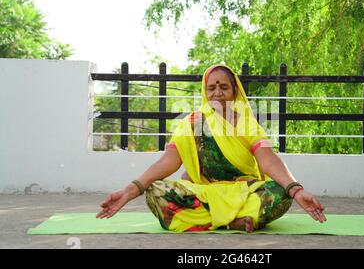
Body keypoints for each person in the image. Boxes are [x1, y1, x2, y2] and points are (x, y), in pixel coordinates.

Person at [96, 64, 326, 232]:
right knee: (156, 191)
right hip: (204, 192)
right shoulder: (193, 123)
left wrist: (296, 189)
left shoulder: (247, 123)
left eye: (224, 87)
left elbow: (268, 159)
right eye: (211, 87)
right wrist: (129, 191)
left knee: (279, 193)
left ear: (235, 91)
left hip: (243, 191)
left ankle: (213, 219)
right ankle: (231, 221)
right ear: (205, 92)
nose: (217, 92)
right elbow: (168, 162)